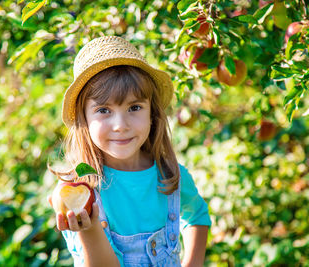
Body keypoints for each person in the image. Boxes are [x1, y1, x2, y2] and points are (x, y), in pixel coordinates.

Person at [48, 36, 211, 267]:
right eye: (104, 110)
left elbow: (197, 215)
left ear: (152, 114)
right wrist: (90, 229)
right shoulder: (79, 191)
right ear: (84, 119)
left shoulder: (170, 176)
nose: (120, 125)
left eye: (134, 107)